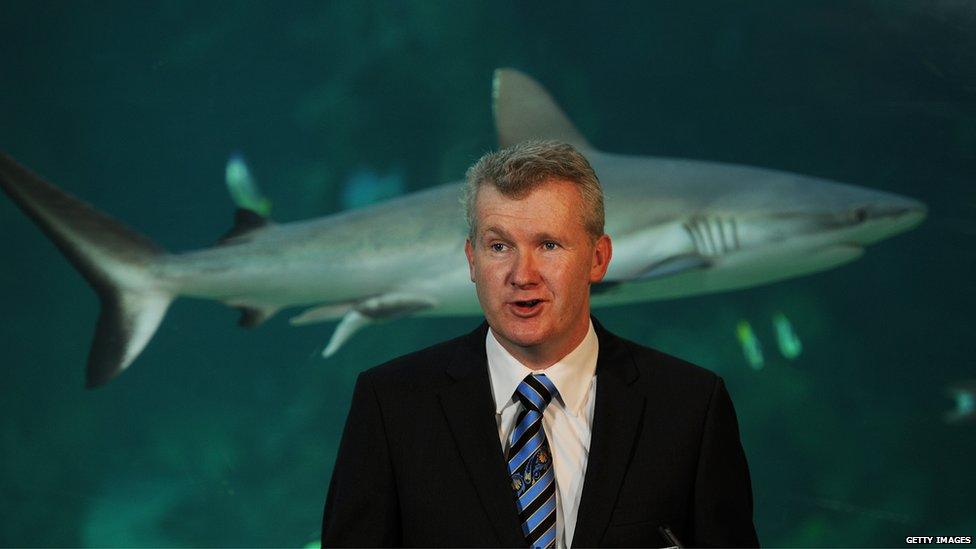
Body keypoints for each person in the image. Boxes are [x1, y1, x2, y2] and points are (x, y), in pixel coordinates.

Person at [321, 140, 759, 548]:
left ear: (599, 258)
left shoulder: (690, 407)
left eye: (548, 245)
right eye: (498, 246)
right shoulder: (390, 405)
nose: (522, 274)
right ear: (472, 260)